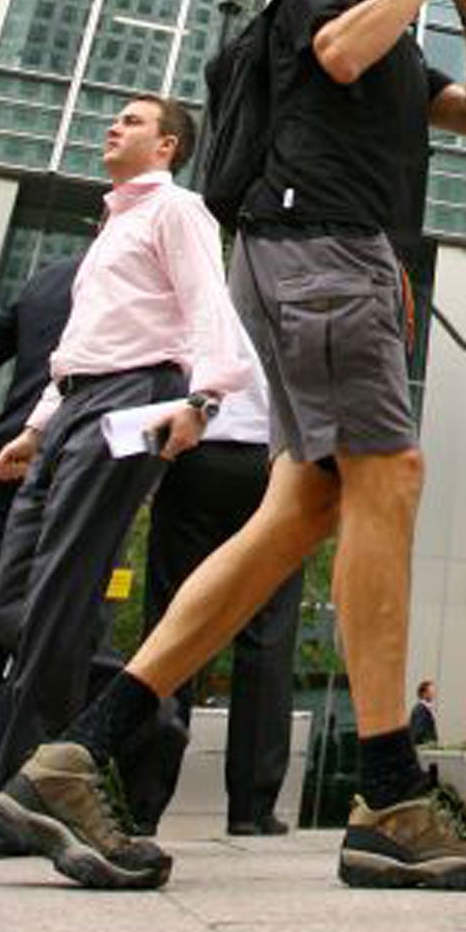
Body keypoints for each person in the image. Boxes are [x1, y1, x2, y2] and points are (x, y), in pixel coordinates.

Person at [0, 0, 466, 896]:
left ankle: (75, 756)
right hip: (321, 246)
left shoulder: (393, 15)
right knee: (390, 478)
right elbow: (338, 51)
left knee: (300, 509)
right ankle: (390, 794)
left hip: (334, 256)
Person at [0, 98, 251, 809]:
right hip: (70, 406)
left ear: (166, 146)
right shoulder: (114, 226)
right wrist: (37, 427)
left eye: (131, 122)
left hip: (132, 401)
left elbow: (209, 307)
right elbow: (86, 339)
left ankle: (24, 796)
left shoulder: (178, 210)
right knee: (13, 601)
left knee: (61, 596)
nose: (113, 127)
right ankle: (147, 714)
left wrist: (205, 400)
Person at [122, 319, 303, 839]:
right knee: (267, 635)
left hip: (201, 456)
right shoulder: (298, 295)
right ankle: (252, 806)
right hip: (272, 467)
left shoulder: (214, 292)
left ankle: (143, 799)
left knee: (173, 619)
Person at [0, 253, 80, 851]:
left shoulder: (46, 278)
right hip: (75, 461)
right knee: (56, 622)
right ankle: (16, 789)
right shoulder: (133, 275)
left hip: (7, 457)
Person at [409, 679, 438, 747]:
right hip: (423, 748)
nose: (434, 694)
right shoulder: (420, 710)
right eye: (431, 692)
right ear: (424, 694)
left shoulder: (424, 709)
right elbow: (419, 731)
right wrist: (429, 742)